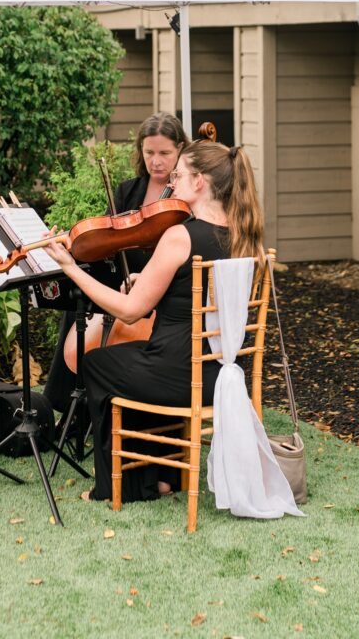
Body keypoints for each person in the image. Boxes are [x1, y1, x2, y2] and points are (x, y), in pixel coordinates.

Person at [45, 137, 264, 502]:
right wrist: (146, 281)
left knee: (98, 363)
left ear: (199, 181)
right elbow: (195, 294)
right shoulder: (244, 237)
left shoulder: (179, 236)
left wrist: (71, 269)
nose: (171, 183)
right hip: (220, 373)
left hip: (178, 375)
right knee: (134, 360)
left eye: (178, 175)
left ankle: (122, 486)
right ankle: (164, 477)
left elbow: (130, 311)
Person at [43, 112, 189, 414]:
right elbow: (111, 238)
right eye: (149, 152)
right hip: (124, 279)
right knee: (78, 301)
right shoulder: (128, 190)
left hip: (157, 288)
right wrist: (75, 243)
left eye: (164, 153)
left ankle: (102, 402)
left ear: (180, 151)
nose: (156, 161)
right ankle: (65, 403)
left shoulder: (185, 197)